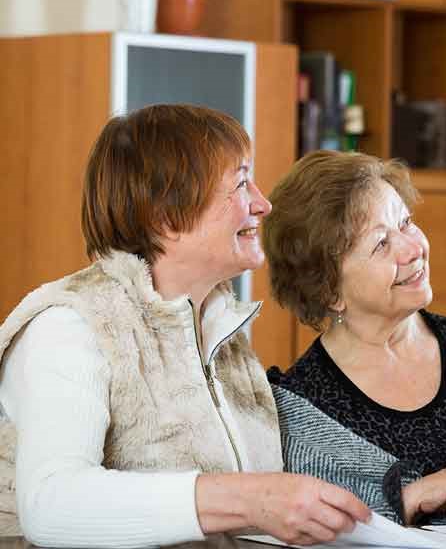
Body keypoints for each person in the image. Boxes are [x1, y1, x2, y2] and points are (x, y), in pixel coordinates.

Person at [0, 105, 369, 547]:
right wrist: (247, 500)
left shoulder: (218, 333)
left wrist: (396, 495)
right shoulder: (70, 326)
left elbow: (274, 492)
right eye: (239, 184)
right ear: (166, 216)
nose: (262, 203)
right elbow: (50, 505)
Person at [261, 150, 446, 526]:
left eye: (405, 223)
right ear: (327, 290)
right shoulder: (305, 406)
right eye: (380, 245)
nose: (413, 250)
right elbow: (317, 527)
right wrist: (409, 499)